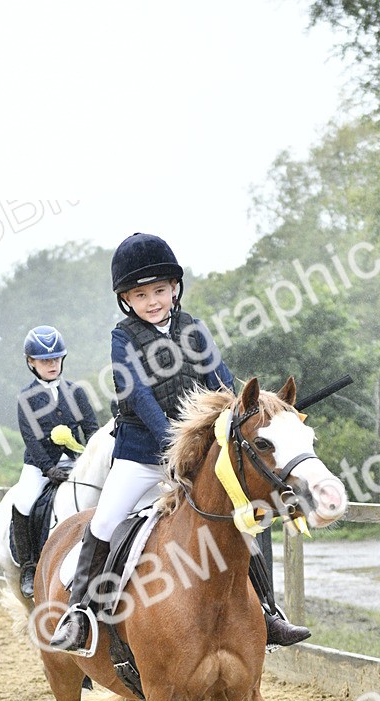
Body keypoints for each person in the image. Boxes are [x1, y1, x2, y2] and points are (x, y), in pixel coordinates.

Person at [50, 231, 310, 652]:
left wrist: (247, 415)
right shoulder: (123, 337)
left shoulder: (193, 329)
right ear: (127, 300)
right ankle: (79, 613)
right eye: (140, 295)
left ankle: (267, 609)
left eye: (159, 290)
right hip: (141, 457)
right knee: (104, 520)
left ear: (174, 288)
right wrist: (174, 442)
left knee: (242, 517)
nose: (152, 301)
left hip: (199, 459)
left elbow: (222, 382)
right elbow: (140, 396)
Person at [12, 325, 100, 599]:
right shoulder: (26, 397)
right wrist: (48, 469)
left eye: (55, 358)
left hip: (77, 461)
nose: (51, 364)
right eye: (44, 360)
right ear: (31, 363)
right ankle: (28, 565)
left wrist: (90, 458)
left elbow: (92, 429)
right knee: (23, 502)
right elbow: (31, 439)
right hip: (41, 465)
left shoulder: (77, 392)